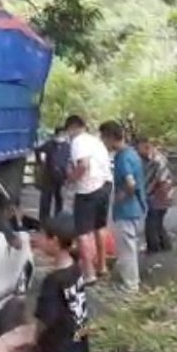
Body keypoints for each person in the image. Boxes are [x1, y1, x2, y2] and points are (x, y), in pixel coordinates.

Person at [34, 213, 95, 352]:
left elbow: (46, 319)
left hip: (59, 349)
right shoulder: (76, 270)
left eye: (43, 236)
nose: (39, 240)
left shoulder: (53, 281)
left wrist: (33, 339)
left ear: (55, 241)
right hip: (77, 341)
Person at [64, 115, 113, 283]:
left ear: (72, 128)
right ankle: (102, 266)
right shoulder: (96, 142)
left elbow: (83, 165)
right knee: (100, 227)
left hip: (88, 189)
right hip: (105, 186)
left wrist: (71, 178)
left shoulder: (78, 141)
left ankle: (89, 273)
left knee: (83, 232)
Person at [99, 121, 145, 293]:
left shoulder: (123, 157)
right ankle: (126, 280)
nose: (103, 142)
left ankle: (130, 285)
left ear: (111, 137)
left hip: (127, 209)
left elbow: (130, 183)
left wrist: (121, 196)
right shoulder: (132, 153)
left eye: (103, 138)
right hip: (134, 209)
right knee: (127, 246)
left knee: (127, 249)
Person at [136, 137, 174, 253]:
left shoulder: (155, 160)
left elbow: (157, 179)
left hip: (158, 192)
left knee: (152, 222)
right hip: (164, 192)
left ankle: (153, 247)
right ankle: (165, 245)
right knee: (158, 221)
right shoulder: (157, 158)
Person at [35, 127, 70, 222]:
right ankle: (43, 220)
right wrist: (39, 162)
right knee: (46, 199)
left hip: (61, 177)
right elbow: (37, 150)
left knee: (59, 199)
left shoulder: (68, 146)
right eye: (59, 134)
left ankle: (58, 220)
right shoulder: (49, 144)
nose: (61, 136)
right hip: (48, 176)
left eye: (63, 134)